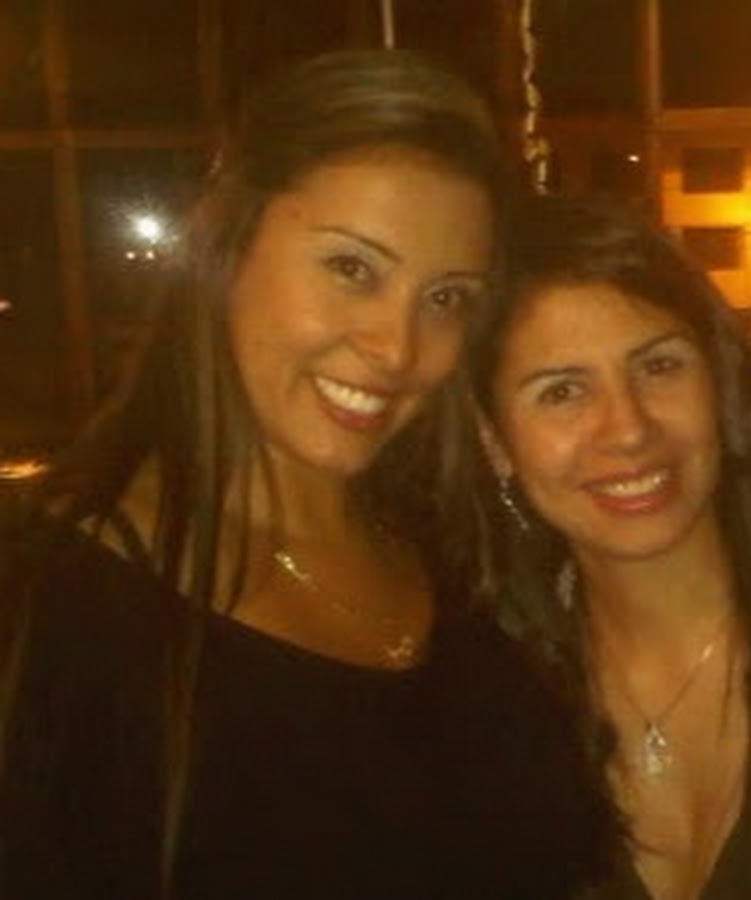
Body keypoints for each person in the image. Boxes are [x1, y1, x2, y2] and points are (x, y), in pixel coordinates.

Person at [0, 52, 601, 898]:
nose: (396, 348)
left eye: (446, 298)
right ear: (228, 248)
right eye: (352, 269)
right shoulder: (46, 610)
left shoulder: (466, 559)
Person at [473, 193, 751, 900]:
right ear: (495, 445)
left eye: (659, 367)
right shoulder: (484, 702)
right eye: (562, 392)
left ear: (720, 385)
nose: (628, 428)